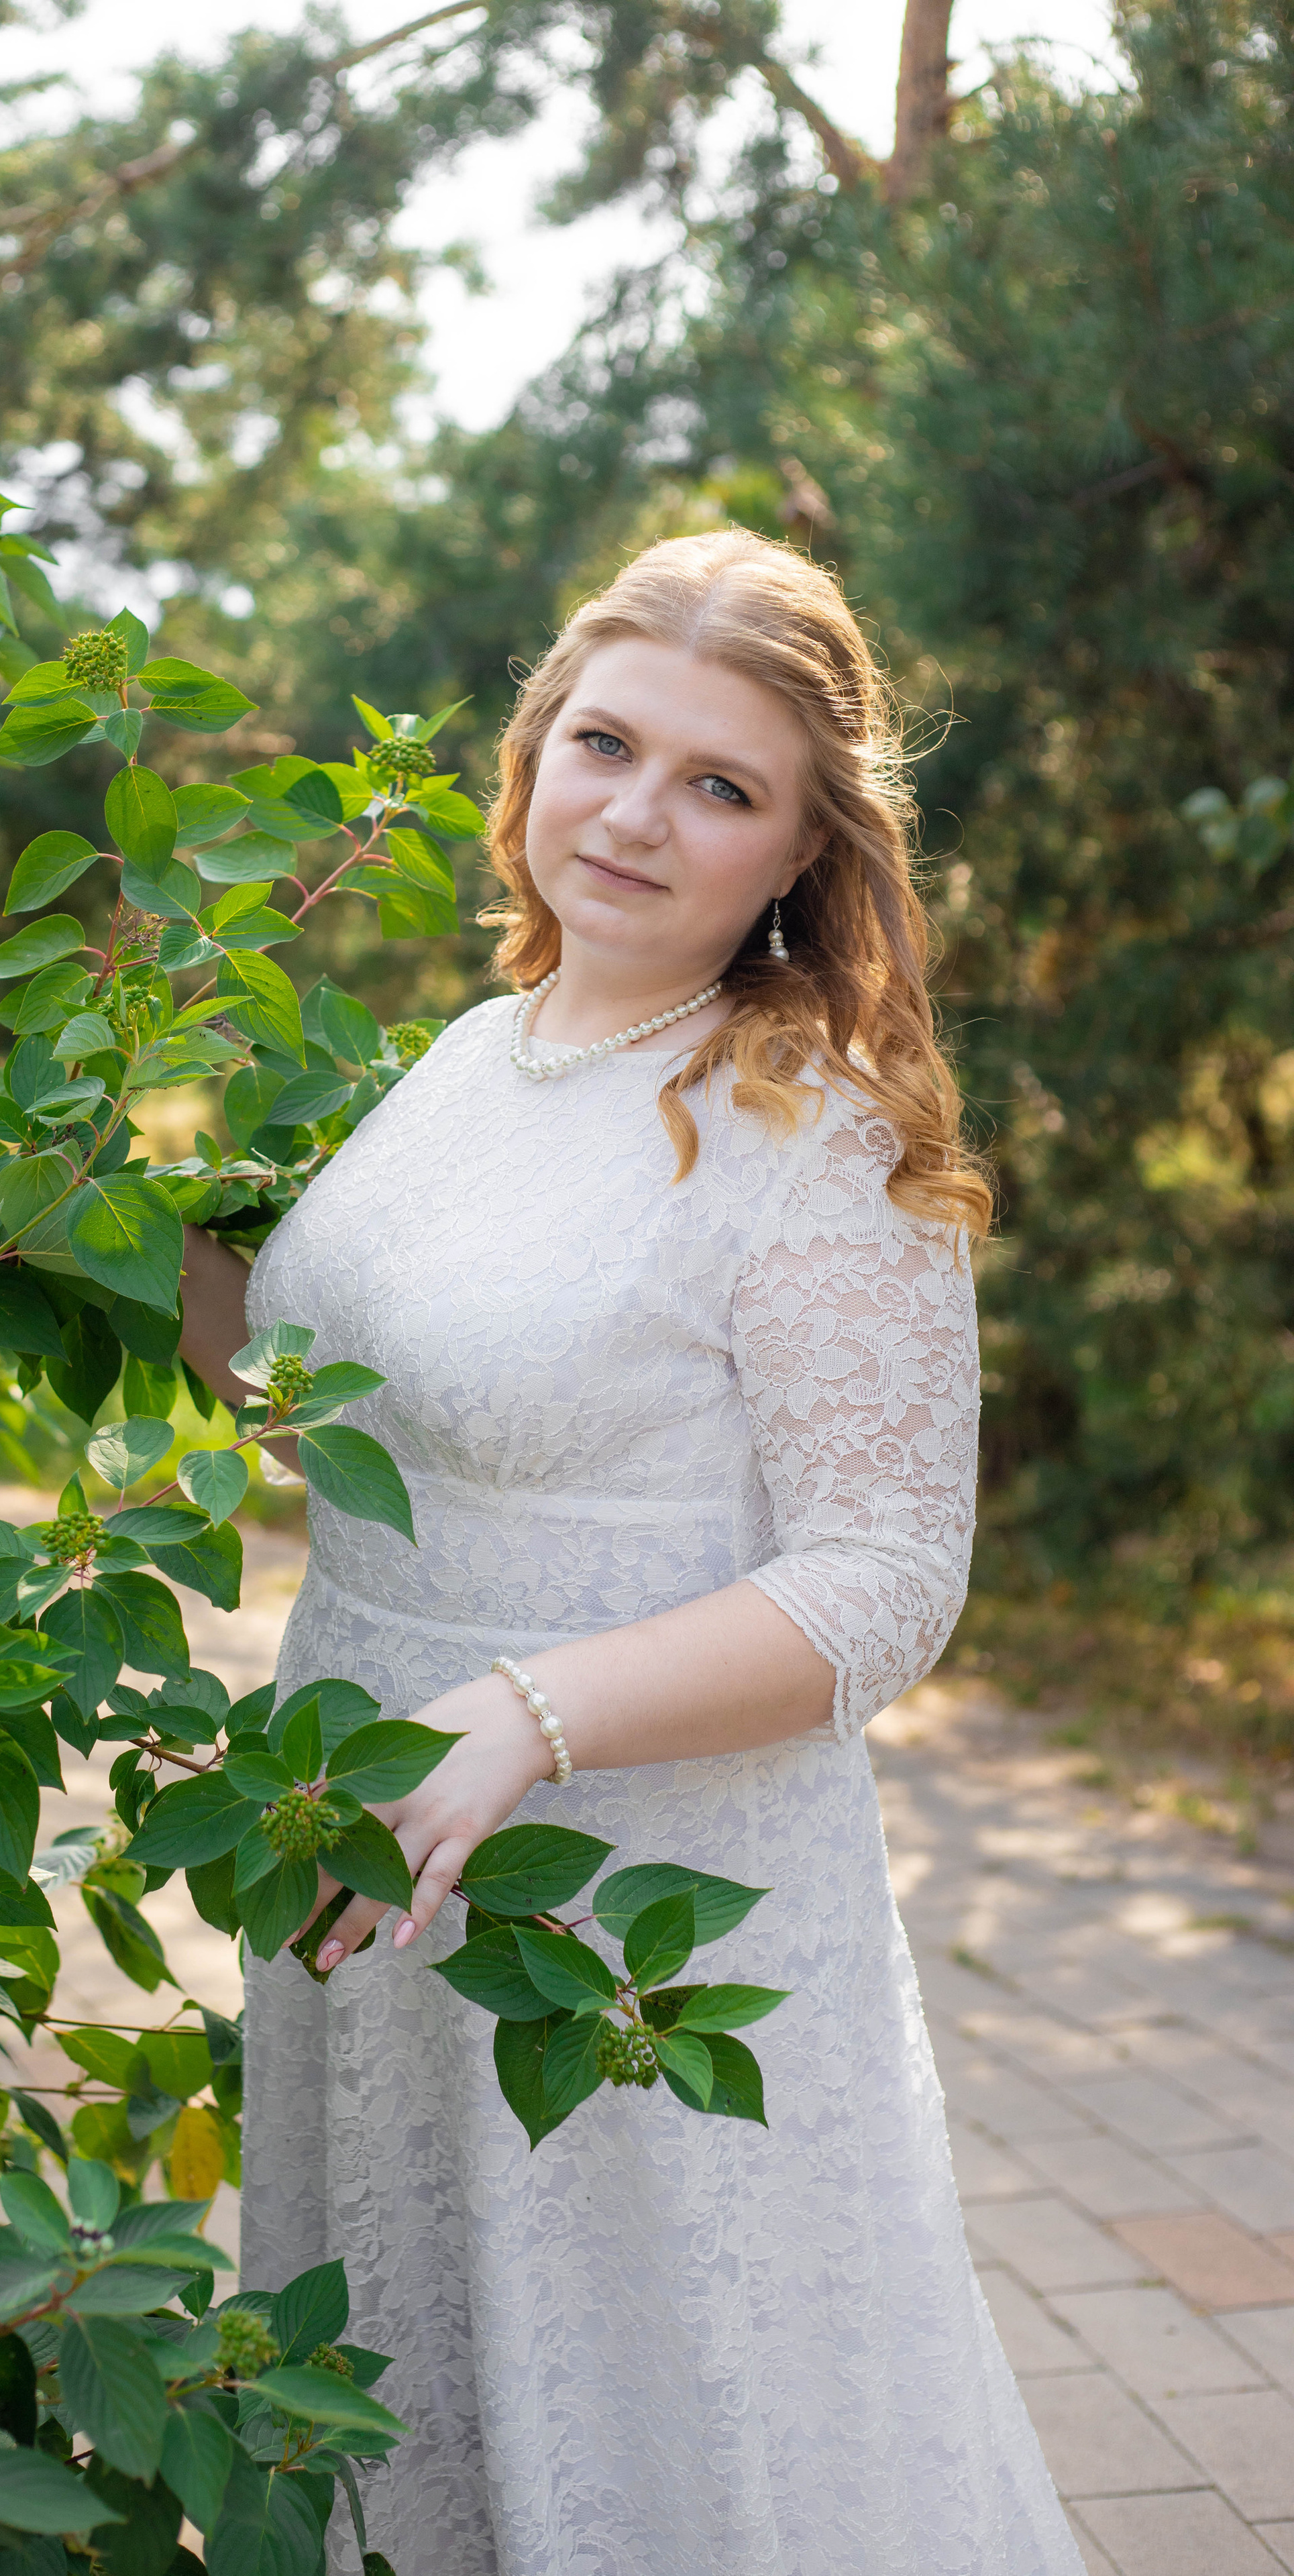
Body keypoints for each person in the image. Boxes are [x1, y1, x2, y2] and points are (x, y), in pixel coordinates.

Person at [178, 529, 1081, 2576]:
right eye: (606, 744)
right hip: (374, 1835)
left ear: (798, 857)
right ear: (530, 758)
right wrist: (114, 1242)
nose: (638, 815)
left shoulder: (817, 1126)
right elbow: (336, 1408)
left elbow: (885, 1579)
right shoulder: (466, 1058)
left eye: (721, 787)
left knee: (662, 2422)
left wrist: (525, 1720)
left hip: (639, 1879)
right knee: (413, 2380)